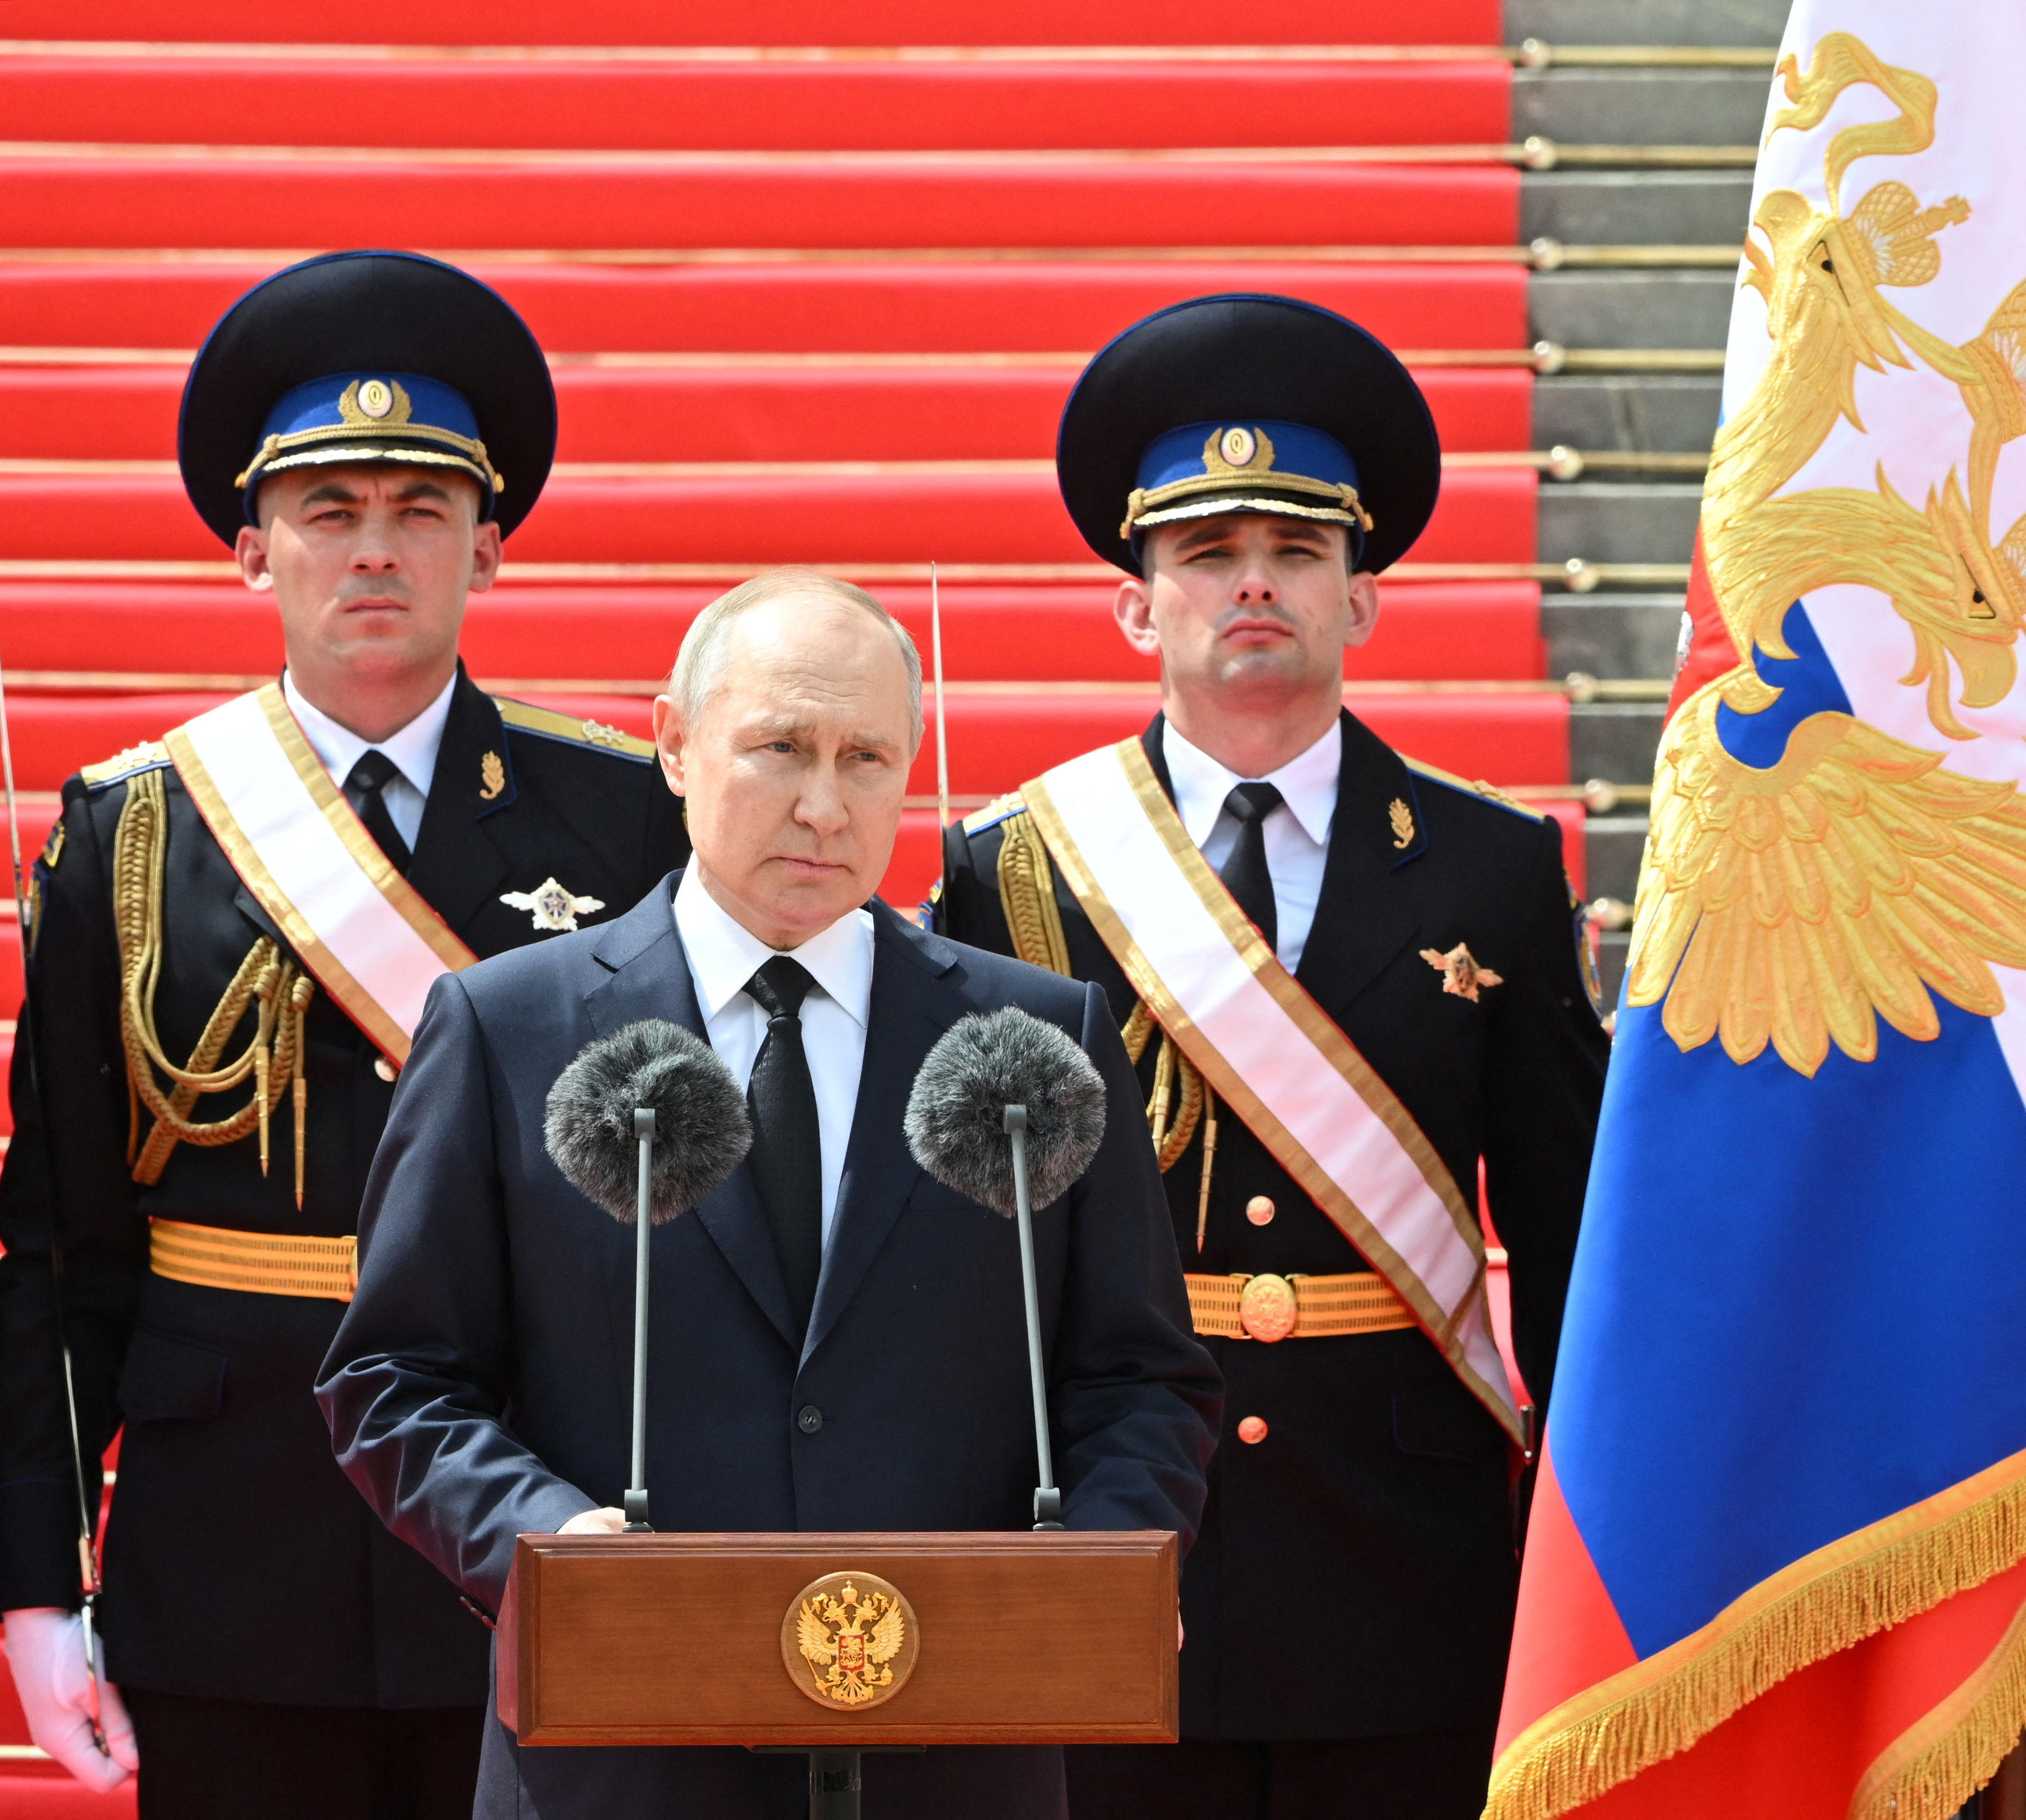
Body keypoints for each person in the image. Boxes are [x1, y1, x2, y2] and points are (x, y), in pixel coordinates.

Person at [316, 569, 1223, 1819]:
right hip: (621, 1752)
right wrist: (546, 1542)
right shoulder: (508, 1027)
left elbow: (1141, 1376)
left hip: (959, 1753)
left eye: (867, 759)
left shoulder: (1036, 1033)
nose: (823, 804)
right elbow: (393, 1377)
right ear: (674, 743)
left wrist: (1099, 1566)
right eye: (781, 747)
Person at [0, 251, 691, 1816]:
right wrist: (37, 1584)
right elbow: (58, 1252)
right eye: (329, 512)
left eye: (419, 510)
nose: (374, 549)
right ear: (254, 552)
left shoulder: (627, 815)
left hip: (534, 1520)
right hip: (230, 1544)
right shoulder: (130, 835)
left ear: (489, 547)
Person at [930, 294, 1610, 1819]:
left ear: (1362, 598)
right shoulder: (1016, 865)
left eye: (1297, 552)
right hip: (1111, 1510)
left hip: (1401, 1529)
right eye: (1207, 554)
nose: (1253, 584)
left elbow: (1567, 1222)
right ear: (1136, 603)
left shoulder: (1493, 864)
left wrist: (1589, 1522)